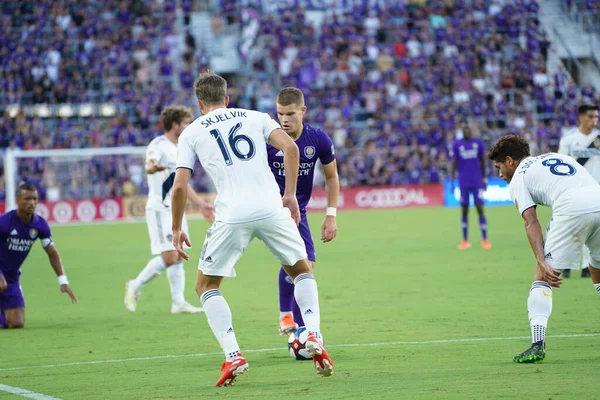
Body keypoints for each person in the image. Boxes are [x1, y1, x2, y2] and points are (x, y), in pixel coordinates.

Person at [171, 73, 334, 386]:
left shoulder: (191, 132)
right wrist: (289, 196)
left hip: (232, 214)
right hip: (272, 207)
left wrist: (176, 228)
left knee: (206, 286)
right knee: (302, 270)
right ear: (228, 98)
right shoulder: (257, 117)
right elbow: (291, 148)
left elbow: (179, 187)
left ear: (200, 103)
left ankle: (233, 355)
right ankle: (312, 333)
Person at [488, 135, 600, 363]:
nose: (500, 175)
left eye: (499, 167)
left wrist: (541, 258)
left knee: (542, 277)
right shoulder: (555, 156)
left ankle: (537, 344)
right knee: (597, 270)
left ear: (510, 160)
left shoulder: (519, 177)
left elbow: (531, 221)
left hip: (572, 208)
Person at [124, 106, 215, 314]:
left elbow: (180, 183)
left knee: (179, 253)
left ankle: (178, 303)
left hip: (176, 210)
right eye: (185, 123)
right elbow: (150, 163)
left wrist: (201, 204)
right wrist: (152, 167)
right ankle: (135, 284)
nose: (188, 126)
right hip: (159, 209)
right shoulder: (158, 145)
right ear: (174, 125)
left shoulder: (182, 147)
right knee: (169, 257)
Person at [268, 87, 339, 335]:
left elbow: (332, 177)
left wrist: (331, 214)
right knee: (302, 264)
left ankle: (295, 327)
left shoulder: (318, 140)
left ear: (303, 111)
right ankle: (291, 320)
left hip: (298, 210)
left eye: (290, 114)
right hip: (270, 209)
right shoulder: (267, 138)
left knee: (304, 265)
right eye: (280, 114)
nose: (284, 119)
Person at [0, 184, 77, 329]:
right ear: (18, 200)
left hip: (11, 276)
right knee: (1, 283)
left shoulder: (40, 225)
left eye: (35, 199)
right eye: (27, 198)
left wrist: (63, 281)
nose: (32, 202)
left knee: (17, 323)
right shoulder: (4, 222)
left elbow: (52, 252)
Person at [557, 104, 599, 278]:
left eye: (596, 117)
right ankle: (565, 265)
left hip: (596, 189)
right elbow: (560, 164)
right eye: (591, 116)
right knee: (571, 228)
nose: (594, 120)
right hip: (574, 190)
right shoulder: (569, 139)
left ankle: (586, 268)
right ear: (581, 117)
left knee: (595, 230)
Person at [451, 122, 492, 250]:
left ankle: (485, 239)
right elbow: (453, 163)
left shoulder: (478, 143)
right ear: (462, 132)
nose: (466, 132)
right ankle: (465, 240)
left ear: (471, 131)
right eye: (464, 130)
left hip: (476, 180)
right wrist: (452, 181)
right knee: (464, 209)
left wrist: (484, 178)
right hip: (463, 181)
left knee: (479, 208)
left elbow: (483, 160)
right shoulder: (457, 145)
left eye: (468, 130)